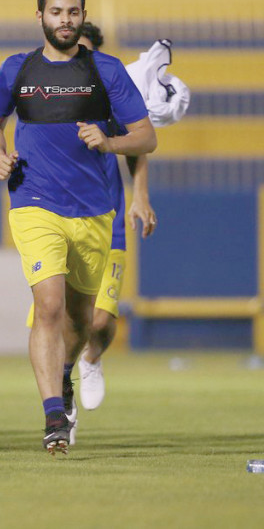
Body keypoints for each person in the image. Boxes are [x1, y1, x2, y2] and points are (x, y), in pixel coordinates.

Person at [0, 0, 156, 454]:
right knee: (49, 306)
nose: (65, 20)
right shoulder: (16, 69)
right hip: (34, 203)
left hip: (95, 211)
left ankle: (64, 372)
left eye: (73, 12)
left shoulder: (106, 70)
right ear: (40, 16)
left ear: (83, 16)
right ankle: (54, 416)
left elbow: (146, 136)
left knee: (83, 320)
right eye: (56, 12)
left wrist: (110, 141)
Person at [73, 24, 188, 410]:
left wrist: (140, 196)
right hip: (57, 217)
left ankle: (91, 360)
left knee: (101, 322)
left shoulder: (108, 96)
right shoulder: (45, 94)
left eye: (86, 52)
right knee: (58, 319)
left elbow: (138, 142)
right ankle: (59, 401)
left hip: (106, 218)